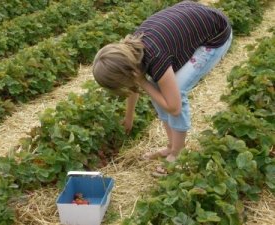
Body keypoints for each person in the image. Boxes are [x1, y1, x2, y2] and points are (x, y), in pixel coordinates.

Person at [92, 1, 232, 167]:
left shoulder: (156, 57)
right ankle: (171, 146)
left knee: (176, 91)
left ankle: (178, 153)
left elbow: (174, 107)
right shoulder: (131, 51)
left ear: (129, 73)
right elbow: (134, 83)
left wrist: (143, 81)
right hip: (195, 16)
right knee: (157, 91)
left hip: (216, 35)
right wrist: (129, 116)